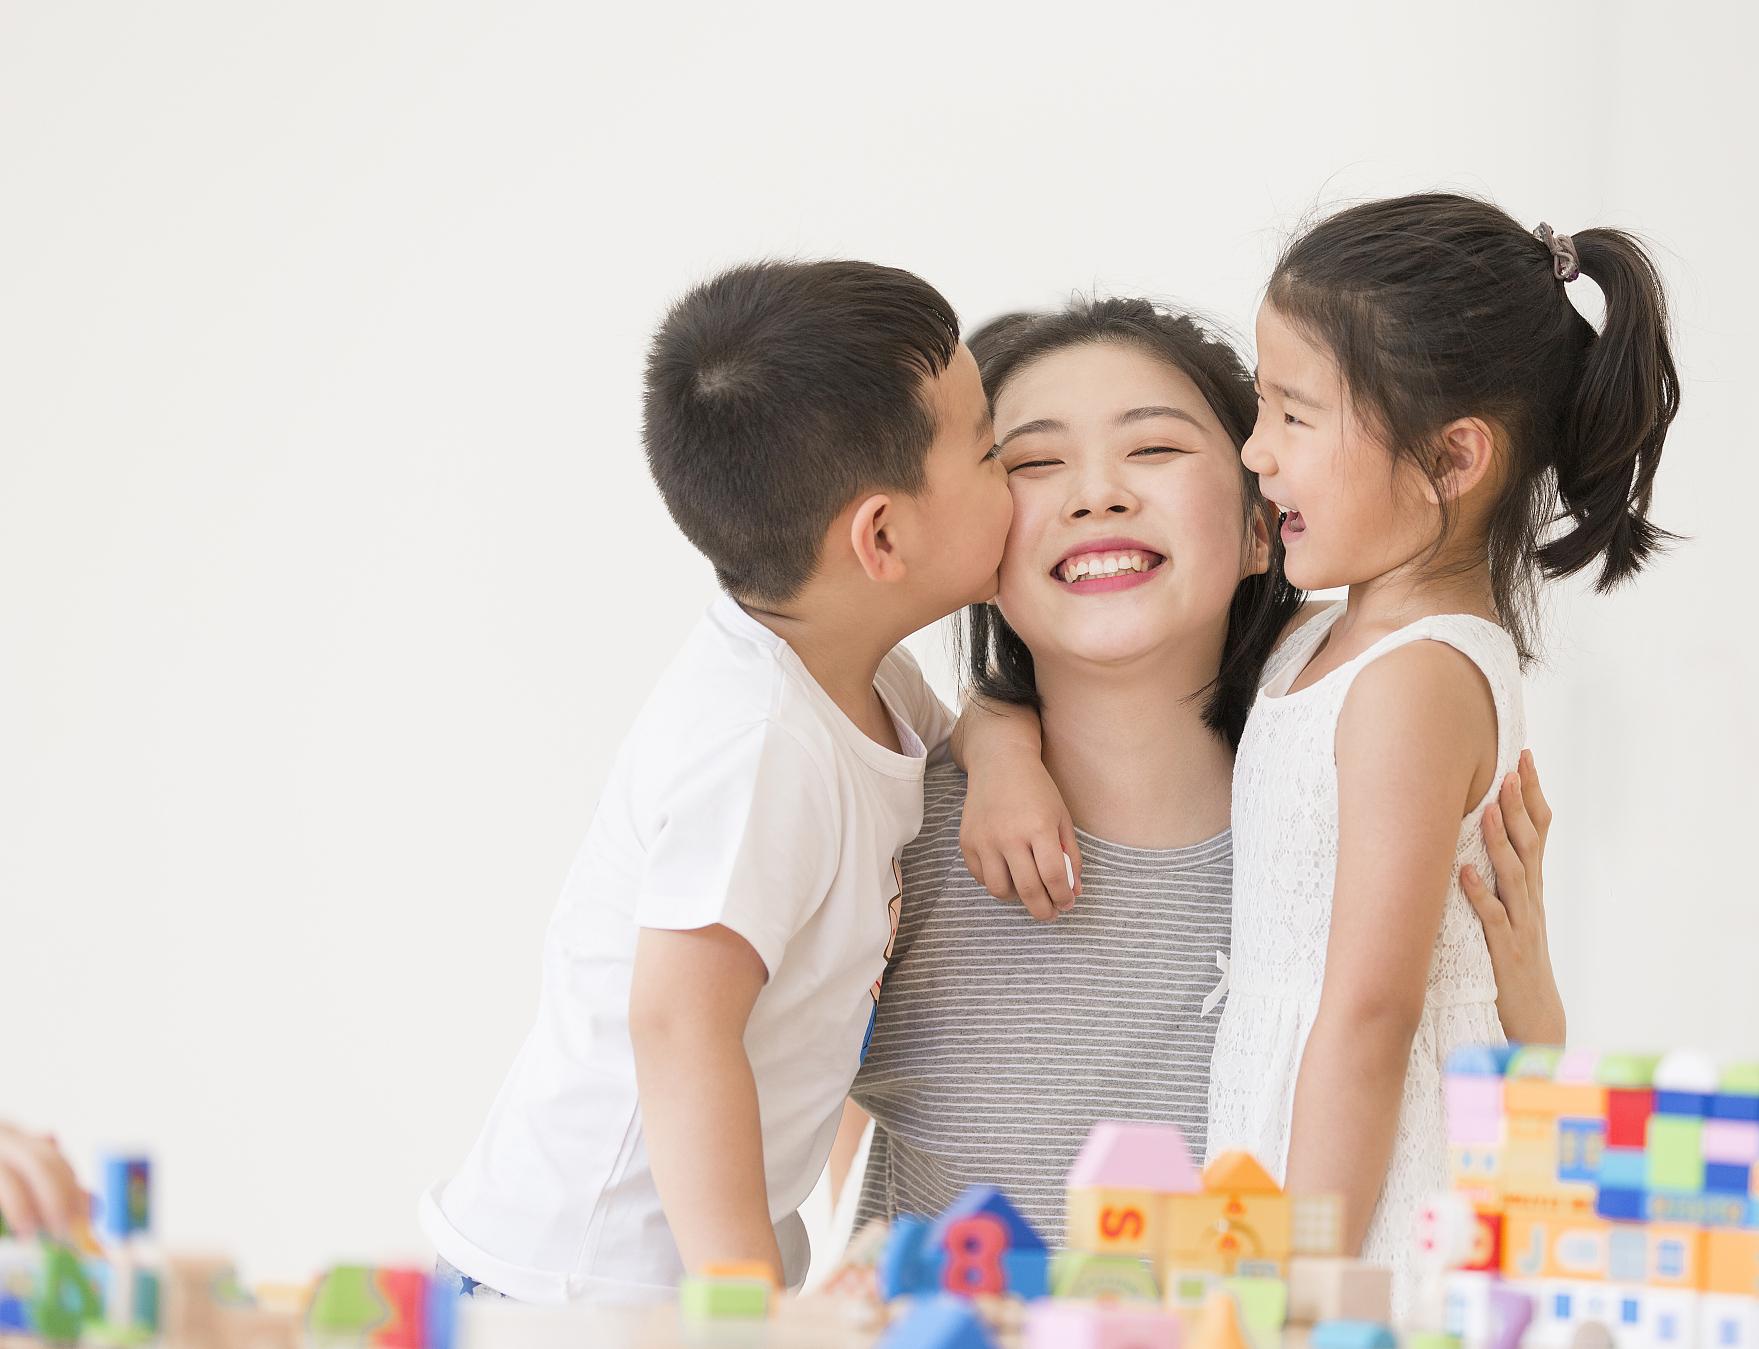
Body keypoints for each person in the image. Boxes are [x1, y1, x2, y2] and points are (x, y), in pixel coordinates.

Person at [847, 298, 1562, 1243]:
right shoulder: (897, 840)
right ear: (977, 542)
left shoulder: (1359, 812)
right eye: (1032, 464)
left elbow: (1497, 1141)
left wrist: (1533, 1007)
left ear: (1267, 526)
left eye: (1154, 449)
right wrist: (995, 735)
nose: (1097, 494)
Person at [420, 260, 1012, 1301]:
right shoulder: (758, 744)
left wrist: (1008, 750)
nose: (1019, 479)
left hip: (665, 1272)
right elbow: (679, 1023)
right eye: (993, 451)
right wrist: (747, 1306)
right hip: (585, 1284)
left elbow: (957, 744)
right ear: (881, 536)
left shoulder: (859, 675)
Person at [1206, 194, 1679, 1301]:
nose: (1254, 449)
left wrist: (1305, 1281)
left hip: (1370, 1193)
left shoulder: (1414, 682)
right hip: (1304, 1140)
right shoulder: (1322, 634)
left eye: (1293, 414)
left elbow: (1373, 1014)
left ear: (1453, 456)